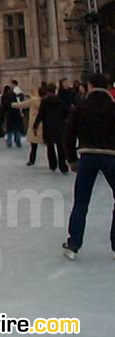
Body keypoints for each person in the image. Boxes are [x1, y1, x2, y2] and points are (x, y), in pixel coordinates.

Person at [62, 73, 115, 260]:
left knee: (81, 201)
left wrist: (71, 159)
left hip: (87, 156)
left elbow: (69, 135)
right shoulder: (113, 107)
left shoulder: (80, 107)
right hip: (111, 156)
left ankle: (73, 243)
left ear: (90, 86)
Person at [33, 82, 69, 173]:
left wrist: (35, 126)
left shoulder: (44, 101)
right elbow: (66, 113)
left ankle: (53, 165)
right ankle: (63, 165)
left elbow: (40, 114)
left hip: (48, 126)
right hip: (60, 126)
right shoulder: (60, 100)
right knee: (60, 147)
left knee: (50, 147)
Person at [13, 86, 45, 166]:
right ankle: (52, 161)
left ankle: (32, 160)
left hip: (34, 123)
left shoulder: (33, 100)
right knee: (48, 144)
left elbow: (22, 105)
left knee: (33, 145)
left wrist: (12, 104)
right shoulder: (44, 101)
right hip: (43, 123)